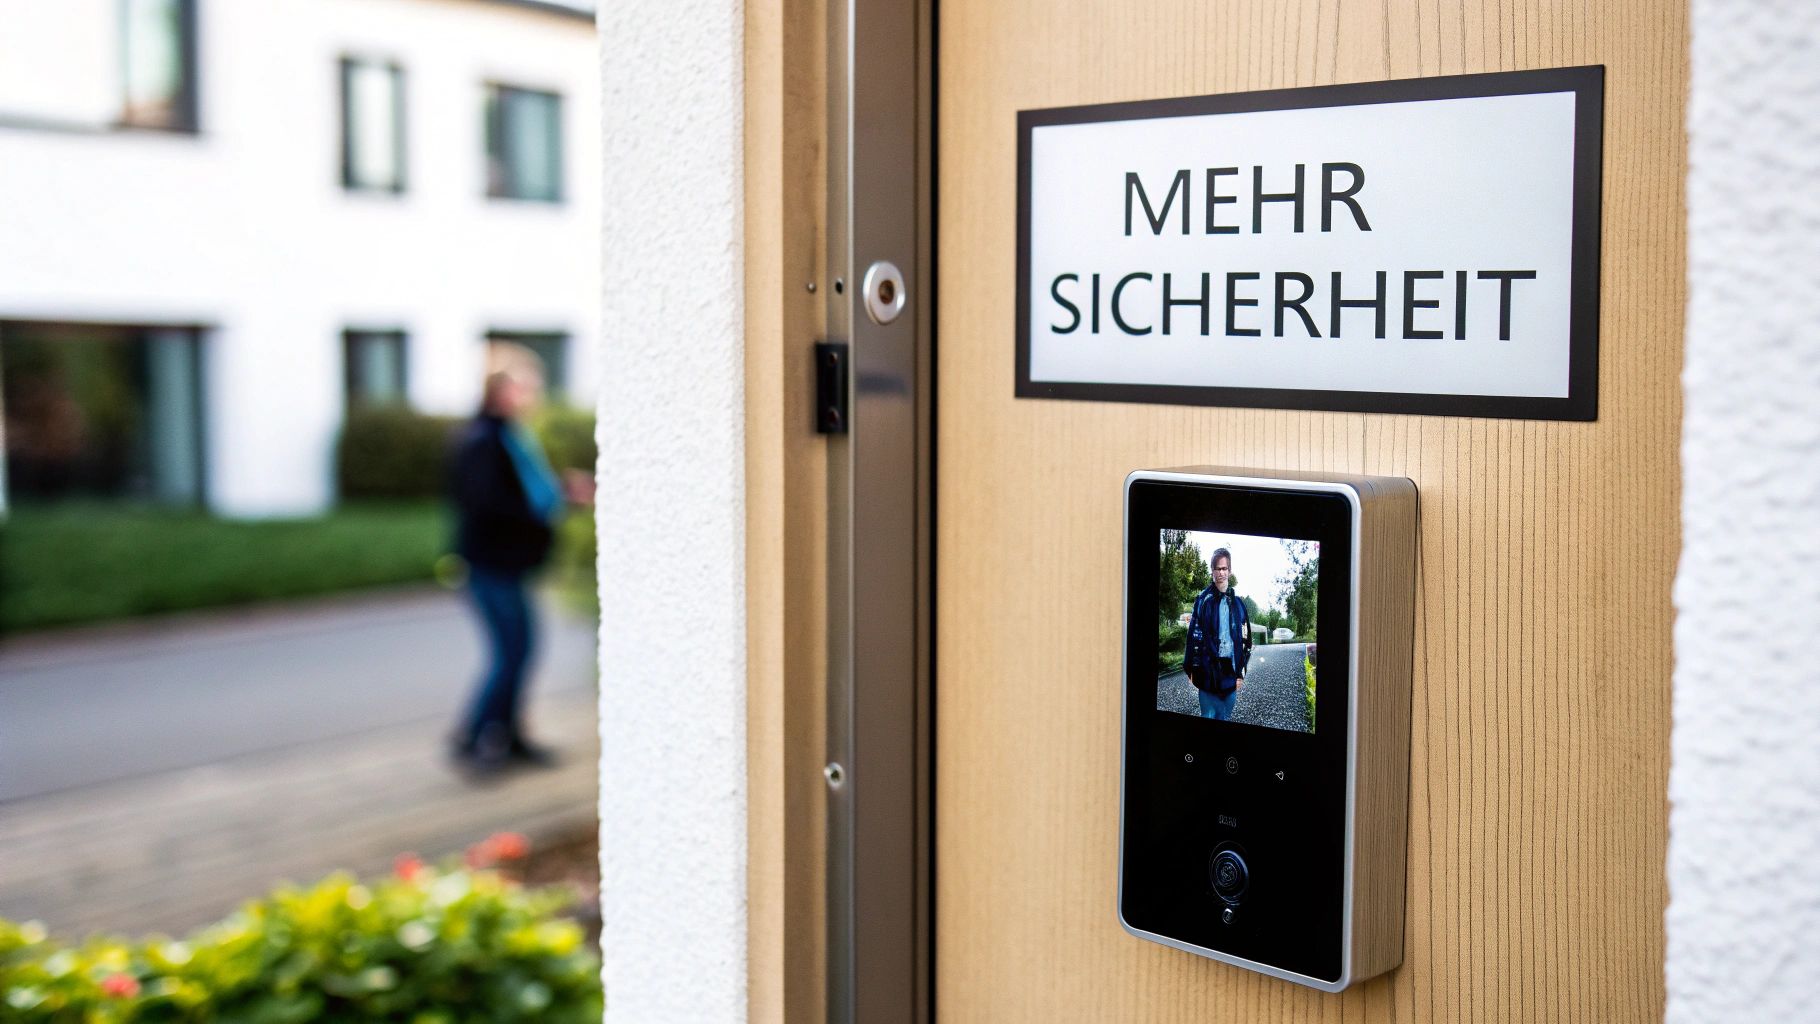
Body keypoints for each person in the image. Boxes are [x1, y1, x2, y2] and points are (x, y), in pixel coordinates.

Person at [447, 348, 589, 772]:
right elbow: (489, 503)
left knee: (518, 651)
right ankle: (474, 737)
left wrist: (561, 494)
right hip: (490, 564)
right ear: (500, 389)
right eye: (524, 385)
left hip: (508, 564)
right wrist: (549, 505)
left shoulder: (510, 436)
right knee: (511, 652)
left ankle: (508, 737)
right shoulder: (482, 440)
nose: (531, 394)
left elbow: (521, 493)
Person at [1184, 546, 1252, 720]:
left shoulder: (1238, 605)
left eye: (1224, 568)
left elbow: (1246, 641)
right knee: (1208, 716)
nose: (1221, 573)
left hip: (1230, 677)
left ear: (1230, 571)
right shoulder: (1202, 601)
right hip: (1208, 674)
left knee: (1224, 718)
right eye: (1217, 568)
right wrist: (1191, 668)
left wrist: (1241, 673)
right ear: (1212, 571)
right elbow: (1194, 636)